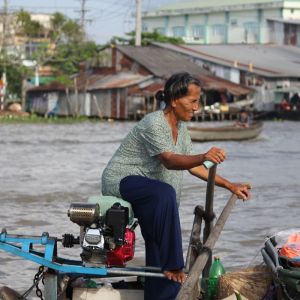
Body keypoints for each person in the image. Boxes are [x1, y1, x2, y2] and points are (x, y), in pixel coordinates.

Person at [101, 72, 250, 300]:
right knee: (165, 193)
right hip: (123, 179)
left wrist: (230, 185)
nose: (196, 108)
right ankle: (174, 266)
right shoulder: (154, 122)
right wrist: (203, 155)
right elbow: (170, 160)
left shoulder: (181, 130)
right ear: (173, 100)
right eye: (192, 101)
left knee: (157, 239)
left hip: (153, 195)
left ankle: (164, 294)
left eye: (198, 102)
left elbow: (194, 167)